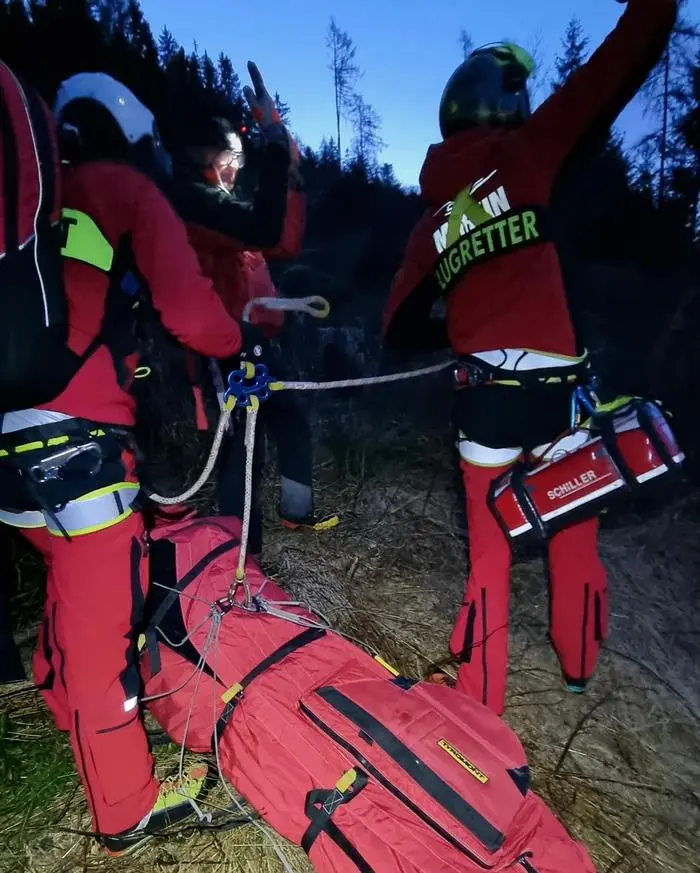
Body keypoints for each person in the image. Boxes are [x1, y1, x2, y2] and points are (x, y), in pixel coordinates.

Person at [382, 0, 678, 716]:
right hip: (557, 397)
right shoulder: (525, 154)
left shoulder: (432, 223)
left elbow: (396, 326)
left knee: (489, 556)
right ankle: (577, 670)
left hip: (483, 399)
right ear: (505, 105)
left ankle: (479, 711)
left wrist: (455, 324)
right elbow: (613, 69)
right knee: (573, 532)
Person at [0, 72, 250, 854]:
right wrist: (241, 343)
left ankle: (59, 695)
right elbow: (193, 313)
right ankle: (127, 807)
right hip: (79, 447)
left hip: (7, 449)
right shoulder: (122, 191)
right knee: (106, 621)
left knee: (69, 595)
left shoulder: (24, 208)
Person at [169, 62, 338, 557]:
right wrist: (273, 142)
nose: (234, 167)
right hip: (224, 345)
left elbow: (282, 239)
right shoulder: (195, 208)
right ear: (202, 153)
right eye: (227, 156)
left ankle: (295, 512)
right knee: (242, 447)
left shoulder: (234, 211)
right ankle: (241, 552)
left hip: (262, 341)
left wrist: (289, 168)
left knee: (288, 414)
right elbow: (258, 230)